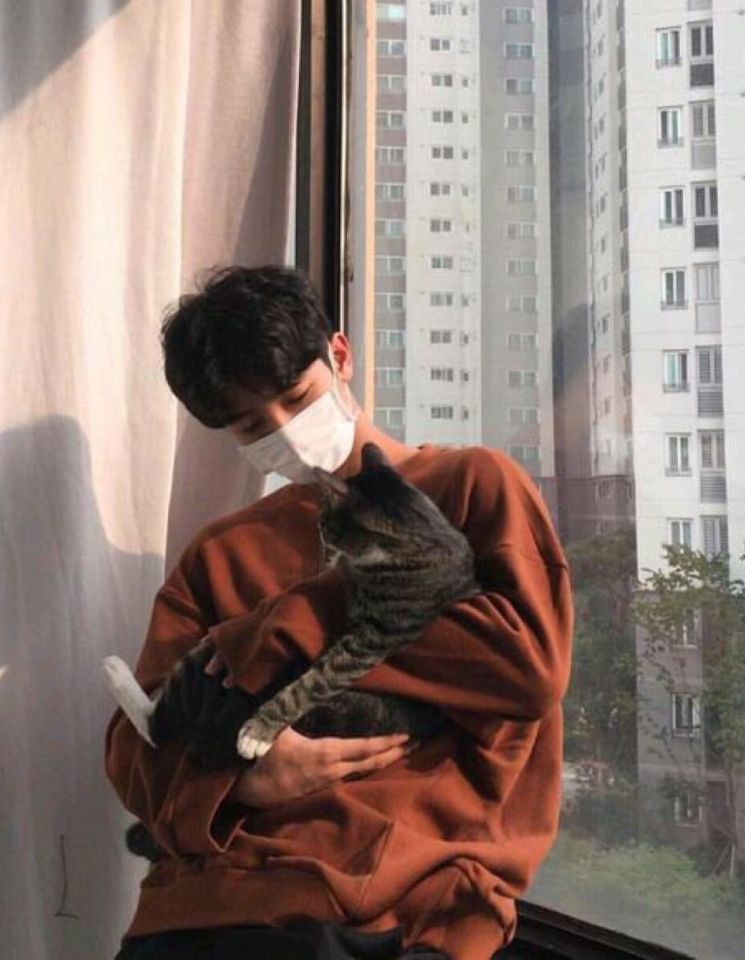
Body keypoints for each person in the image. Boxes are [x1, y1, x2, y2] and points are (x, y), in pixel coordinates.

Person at [104, 264, 574, 960]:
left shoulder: (471, 486)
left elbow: (526, 670)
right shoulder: (221, 554)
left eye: (297, 397)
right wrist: (243, 781)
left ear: (341, 355)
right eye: (250, 424)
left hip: (396, 903)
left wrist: (291, 621)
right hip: (200, 906)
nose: (286, 432)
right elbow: (133, 747)